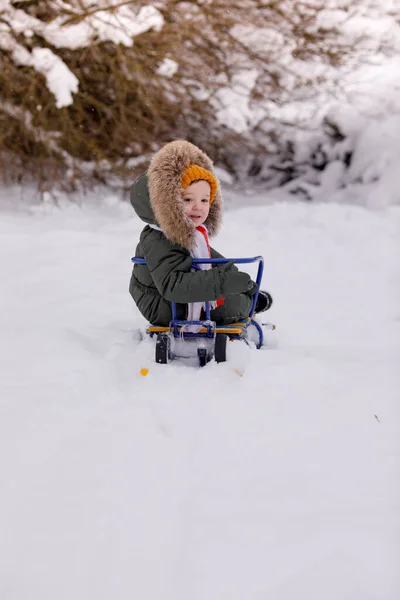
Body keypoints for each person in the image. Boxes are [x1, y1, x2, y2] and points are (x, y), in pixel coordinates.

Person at [129, 139, 273, 326]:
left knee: (233, 290)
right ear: (166, 203)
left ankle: (249, 299)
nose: (198, 207)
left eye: (205, 200)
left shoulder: (188, 233)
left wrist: (238, 280)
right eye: (188, 199)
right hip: (162, 305)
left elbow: (211, 260)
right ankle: (250, 305)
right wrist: (225, 283)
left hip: (172, 299)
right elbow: (173, 284)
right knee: (234, 305)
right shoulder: (158, 239)